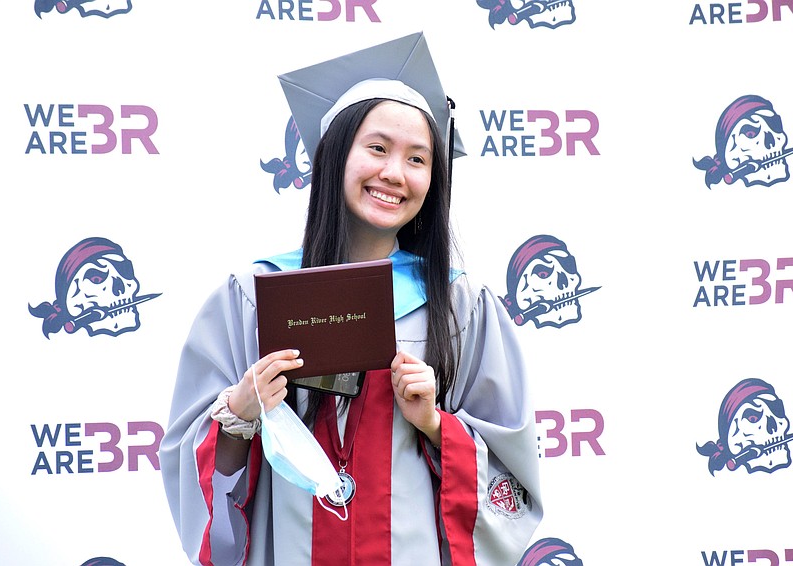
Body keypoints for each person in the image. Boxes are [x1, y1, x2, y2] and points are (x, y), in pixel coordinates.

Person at [159, 33, 543, 565]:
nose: (394, 174)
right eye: (378, 149)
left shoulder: (461, 306)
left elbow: (511, 474)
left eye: (417, 159)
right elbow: (191, 461)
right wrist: (240, 412)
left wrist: (436, 425)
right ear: (335, 155)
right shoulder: (251, 297)